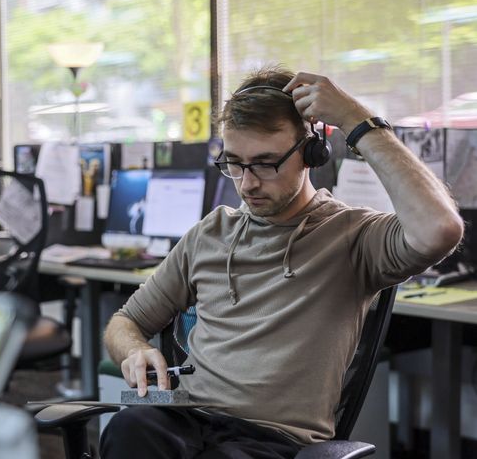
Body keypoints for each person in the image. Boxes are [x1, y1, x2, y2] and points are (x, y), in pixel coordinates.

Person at [100, 66, 463, 459]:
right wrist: (134, 350)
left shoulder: (353, 237)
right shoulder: (212, 232)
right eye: (235, 163)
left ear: (311, 153)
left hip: (270, 441)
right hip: (186, 420)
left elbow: (440, 228)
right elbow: (125, 322)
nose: (247, 183)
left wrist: (356, 120)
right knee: (128, 427)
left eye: (266, 163)